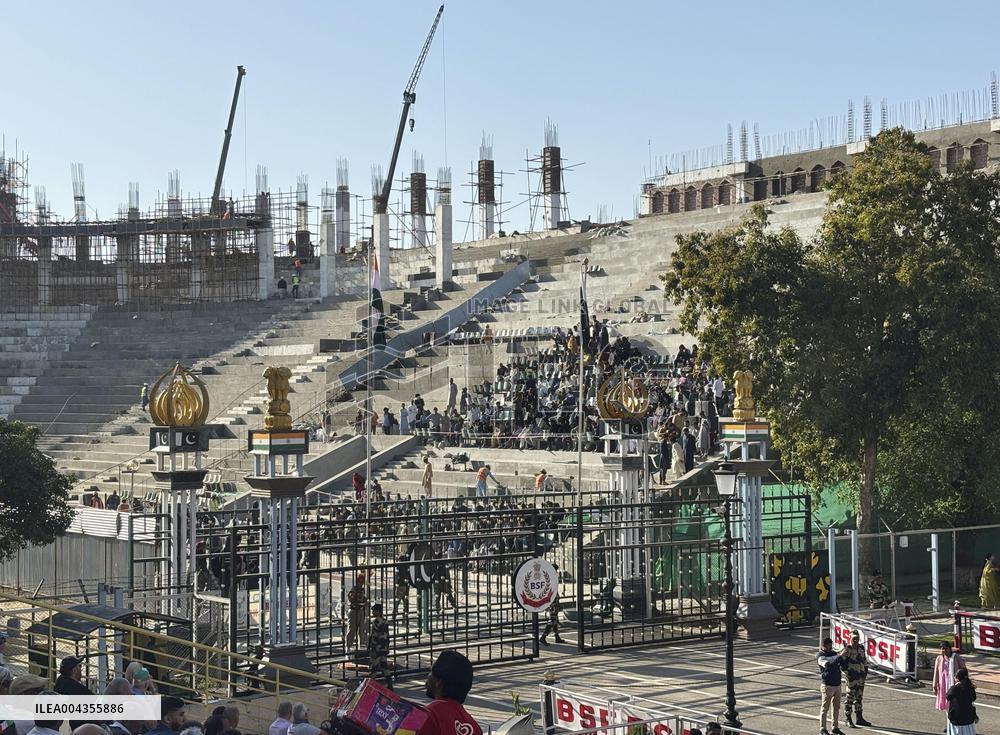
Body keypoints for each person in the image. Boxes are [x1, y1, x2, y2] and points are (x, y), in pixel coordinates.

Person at [420, 650, 482, 735]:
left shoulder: (429, 716)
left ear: (438, 682)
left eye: (431, 671)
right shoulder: (474, 726)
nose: (428, 675)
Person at [817, 636, 848, 735]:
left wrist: (845, 656)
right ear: (823, 646)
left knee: (836, 707)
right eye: (828, 646)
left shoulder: (834, 653)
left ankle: (835, 727)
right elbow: (828, 666)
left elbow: (843, 666)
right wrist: (839, 657)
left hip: (837, 684)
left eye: (831, 645)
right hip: (827, 685)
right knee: (825, 707)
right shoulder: (820, 656)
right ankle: (823, 729)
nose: (830, 647)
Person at [841, 631, 871, 727]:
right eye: (854, 638)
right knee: (850, 698)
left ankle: (859, 718)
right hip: (852, 677)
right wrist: (848, 674)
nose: (855, 640)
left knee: (859, 697)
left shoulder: (861, 648)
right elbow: (843, 664)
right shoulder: (847, 649)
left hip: (861, 677)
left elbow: (864, 660)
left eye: (857, 638)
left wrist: (866, 670)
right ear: (850, 638)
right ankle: (848, 719)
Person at [54, 656, 93, 730]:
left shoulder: (60, 682)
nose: (81, 670)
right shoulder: (78, 690)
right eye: (79, 666)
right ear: (74, 670)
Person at [934, 642, 967, 719]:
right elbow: (936, 673)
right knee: (947, 703)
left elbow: (964, 670)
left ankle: (954, 720)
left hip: (954, 684)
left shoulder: (956, 657)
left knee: (955, 702)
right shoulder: (939, 658)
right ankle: (949, 721)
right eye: (942, 649)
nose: (944, 651)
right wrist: (934, 685)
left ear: (949, 649)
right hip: (943, 684)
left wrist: (964, 682)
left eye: (946, 649)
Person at [945, 668, 977, 735]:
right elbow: (974, 698)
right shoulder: (970, 687)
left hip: (957, 717)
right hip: (969, 717)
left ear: (957, 678)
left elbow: (947, 697)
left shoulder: (955, 688)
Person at [368, 603, 392, 689]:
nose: (372, 612)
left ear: (378, 612)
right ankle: (390, 684)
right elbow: (387, 636)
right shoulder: (385, 621)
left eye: (374, 610)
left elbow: (374, 636)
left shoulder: (375, 622)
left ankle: (370, 686)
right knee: (384, 666)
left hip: (377, 648)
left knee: (373, 667)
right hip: (384, 647)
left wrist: (372, 647)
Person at [346, 574, 369, 650]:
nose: (362, 583)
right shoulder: (354, 589)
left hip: (360, 611)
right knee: (352, 629)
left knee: (362, 630)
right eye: (361, 582)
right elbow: (352, 600)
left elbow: (365, 599)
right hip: (353, 611)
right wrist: (361, 603)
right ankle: (349, 646)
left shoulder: (362, 589)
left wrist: (364, 603)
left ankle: (362, 646)